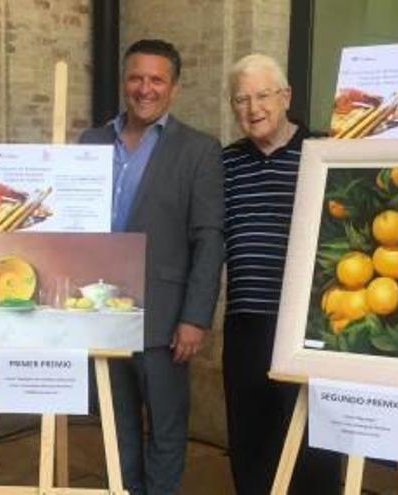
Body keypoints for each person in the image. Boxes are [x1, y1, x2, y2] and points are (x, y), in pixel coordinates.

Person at [79, 39, 224, 494]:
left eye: (156, 79)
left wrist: (195, 318)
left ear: (174, 88)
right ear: (125, 82)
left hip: (164, 316)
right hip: (100, 310)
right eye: (136, 77)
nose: (145, 88)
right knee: (116, 426)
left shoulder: (199, 149)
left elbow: (209, 238)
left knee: (165, 428)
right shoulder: (92, 141)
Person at [221, 53, 340, 494]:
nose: (253, 109)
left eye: (263, 96)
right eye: (241, 100)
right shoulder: (226, 163)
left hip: (311, 326)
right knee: (250, 439)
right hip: (246, 323)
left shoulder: (324, 153)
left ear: (286, 96)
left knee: (313, 445)